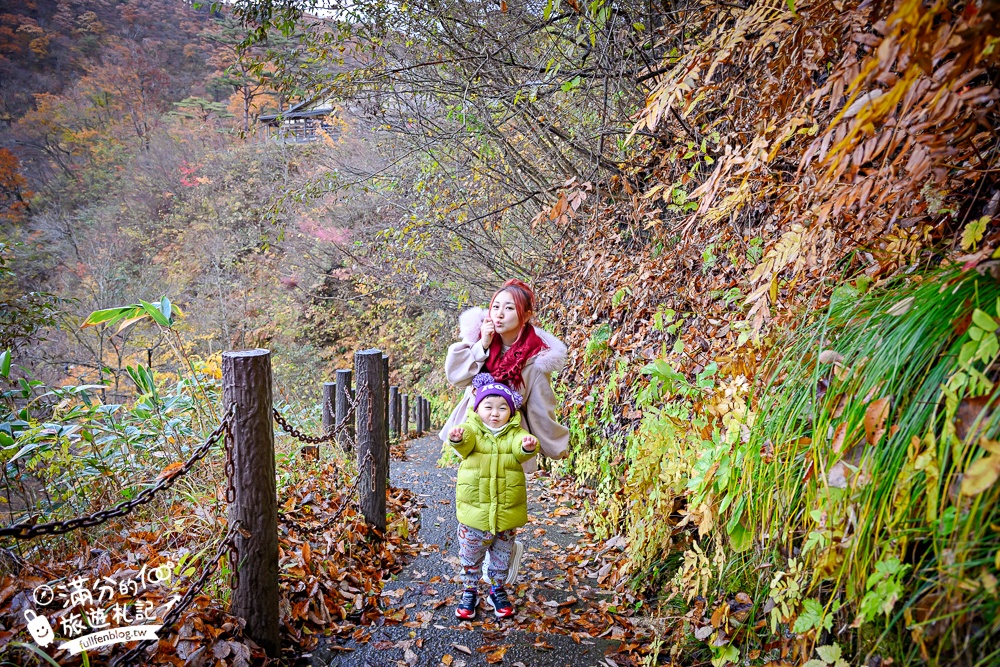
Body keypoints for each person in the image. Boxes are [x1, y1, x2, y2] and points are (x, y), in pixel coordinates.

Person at [440, 279, 569, 586]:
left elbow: (541, 407)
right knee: (474, 493)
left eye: (509, 308)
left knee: (505, 496)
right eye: (495, 306)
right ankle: (478, 557)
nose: (499, 314)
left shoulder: (535, 358)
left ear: (526, 315)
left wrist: (553, 445)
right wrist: (482, 346)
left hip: (510, 438)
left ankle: (501, 555)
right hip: (474, 433)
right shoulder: (480, 339)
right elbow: (455, 376)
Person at [447, 373, 538, 619]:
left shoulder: (514, 433)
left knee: (502, 555)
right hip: (475, 511)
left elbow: (520, 448)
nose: (495, 413)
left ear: (511, 412)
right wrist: (457, 439)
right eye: (488, 407)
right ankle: (470, 590)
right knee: (470, 554)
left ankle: (497, 589)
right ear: (478, 409)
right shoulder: (472, 430)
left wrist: (527, 446)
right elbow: (465, 442)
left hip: (505, 512)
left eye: (502, 408)